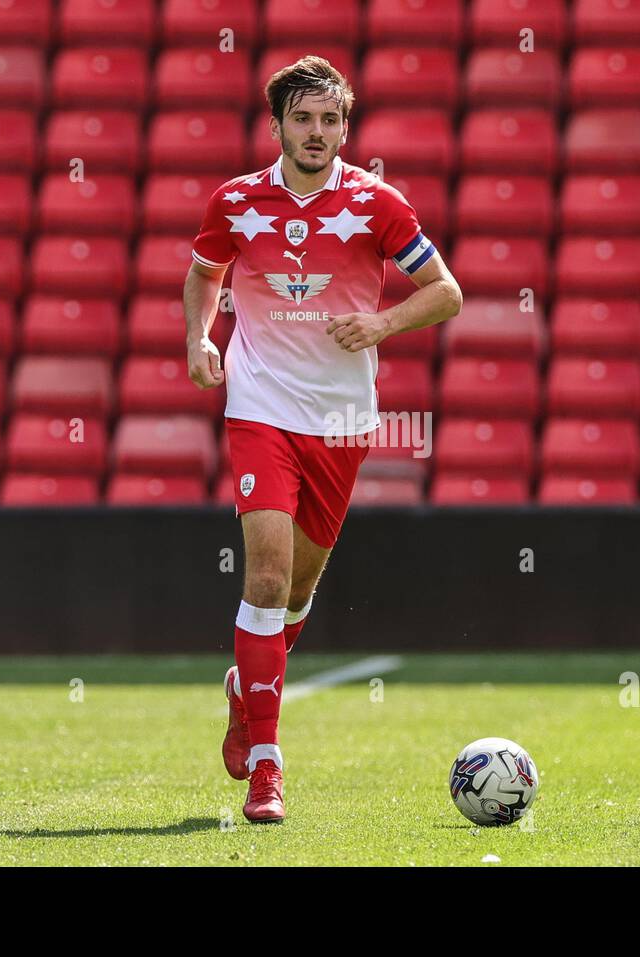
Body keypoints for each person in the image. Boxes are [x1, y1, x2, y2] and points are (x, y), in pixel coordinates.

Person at [185, 56, 463, 822]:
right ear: (276, 125)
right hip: (260, 408)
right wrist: (199, 339)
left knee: (300, 591)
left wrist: (381, 322)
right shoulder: (236, 201)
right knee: (267, 580)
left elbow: (446, 293)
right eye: (302, 119)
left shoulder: (377, 204)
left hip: (340, 420)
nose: (317, 133)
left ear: (346, 127)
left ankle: (247, 691)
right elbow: (205, 272)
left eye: (330, 120)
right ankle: (268, 767)